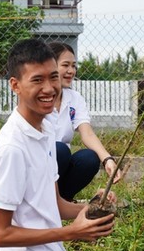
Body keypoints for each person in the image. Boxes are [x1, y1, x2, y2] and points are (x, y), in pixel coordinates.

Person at [0, 38, 115, 251]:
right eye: (37, 80)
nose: (49, 88)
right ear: (15, 85)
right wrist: (71, 232)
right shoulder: (13, 147)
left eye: (53, 77)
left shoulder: (45, 130)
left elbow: (53, 204)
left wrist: (91, 211)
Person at [46, 42, 121, 201]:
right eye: (65, 65)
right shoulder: (39, 96)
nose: (71, 71)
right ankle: (41, 198)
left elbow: (87, 133)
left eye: (73, 66)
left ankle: (62, 200)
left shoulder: (74, 98)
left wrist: (107, 159)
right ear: (50, 66)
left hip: (60, 166)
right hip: (37, 164)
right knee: (60, 150)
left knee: (89, 158)